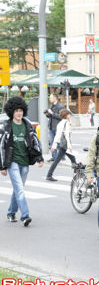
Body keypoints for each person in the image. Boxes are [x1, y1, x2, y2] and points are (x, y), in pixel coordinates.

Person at [1, 97, 43, 227]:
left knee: (18, 189)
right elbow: (1, 146)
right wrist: (2, 166)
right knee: (19, 189)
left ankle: (11, 212)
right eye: (16, 111)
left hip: (25, 162)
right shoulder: (6, 127)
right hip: (12, 162)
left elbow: (35, 141)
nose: (19, 113)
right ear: (11, 112)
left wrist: (39, 157)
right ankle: (25, 216)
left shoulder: (27, 125)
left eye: (20, 110)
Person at [46, 109, 77, 181]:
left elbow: (57, 135)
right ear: (66, 115)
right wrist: (69, 147)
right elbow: (66, 136)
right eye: (69, 114)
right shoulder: (67, 123)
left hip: (61, 144)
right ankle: (49, 175)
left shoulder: (60, 123)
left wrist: (53, 145)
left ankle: (49, 175)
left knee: (72, 158)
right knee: (62, 160)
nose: (69, 116)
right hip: (65, 145)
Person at [45, 93, 65, 162]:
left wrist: (52, 113)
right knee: (52, 142)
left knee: (59, 143)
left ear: (55, 98)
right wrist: (47, 114)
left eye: (50, 98)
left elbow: (61, 116)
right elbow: (50, 116)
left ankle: (62, 156)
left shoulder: (61, 106)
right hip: (51, 127)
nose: (49, 99)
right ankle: (54, 157)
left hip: (58, 127)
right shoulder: (51, 106)